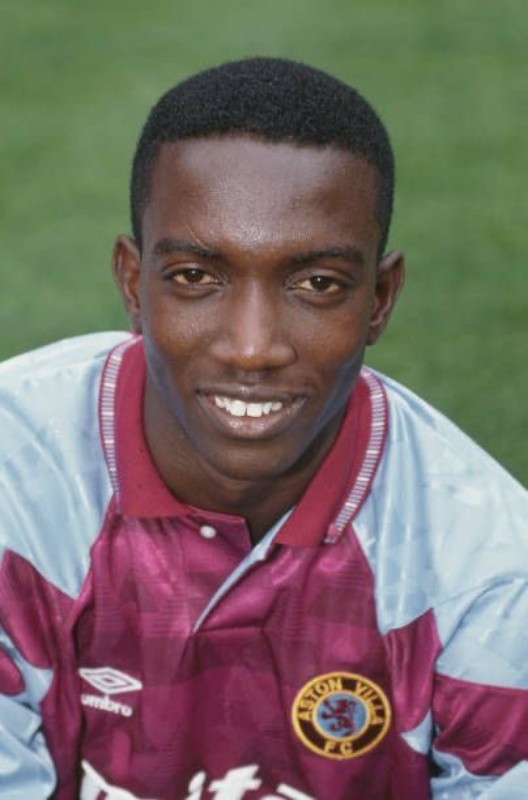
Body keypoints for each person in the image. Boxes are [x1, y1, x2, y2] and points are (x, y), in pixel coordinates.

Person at [0, 57, 526, 800]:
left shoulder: (490, 568)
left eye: (317, 285)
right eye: (195, 277)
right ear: (133, 283)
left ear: (380, 298)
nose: (252, 348)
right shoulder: (15, 477)